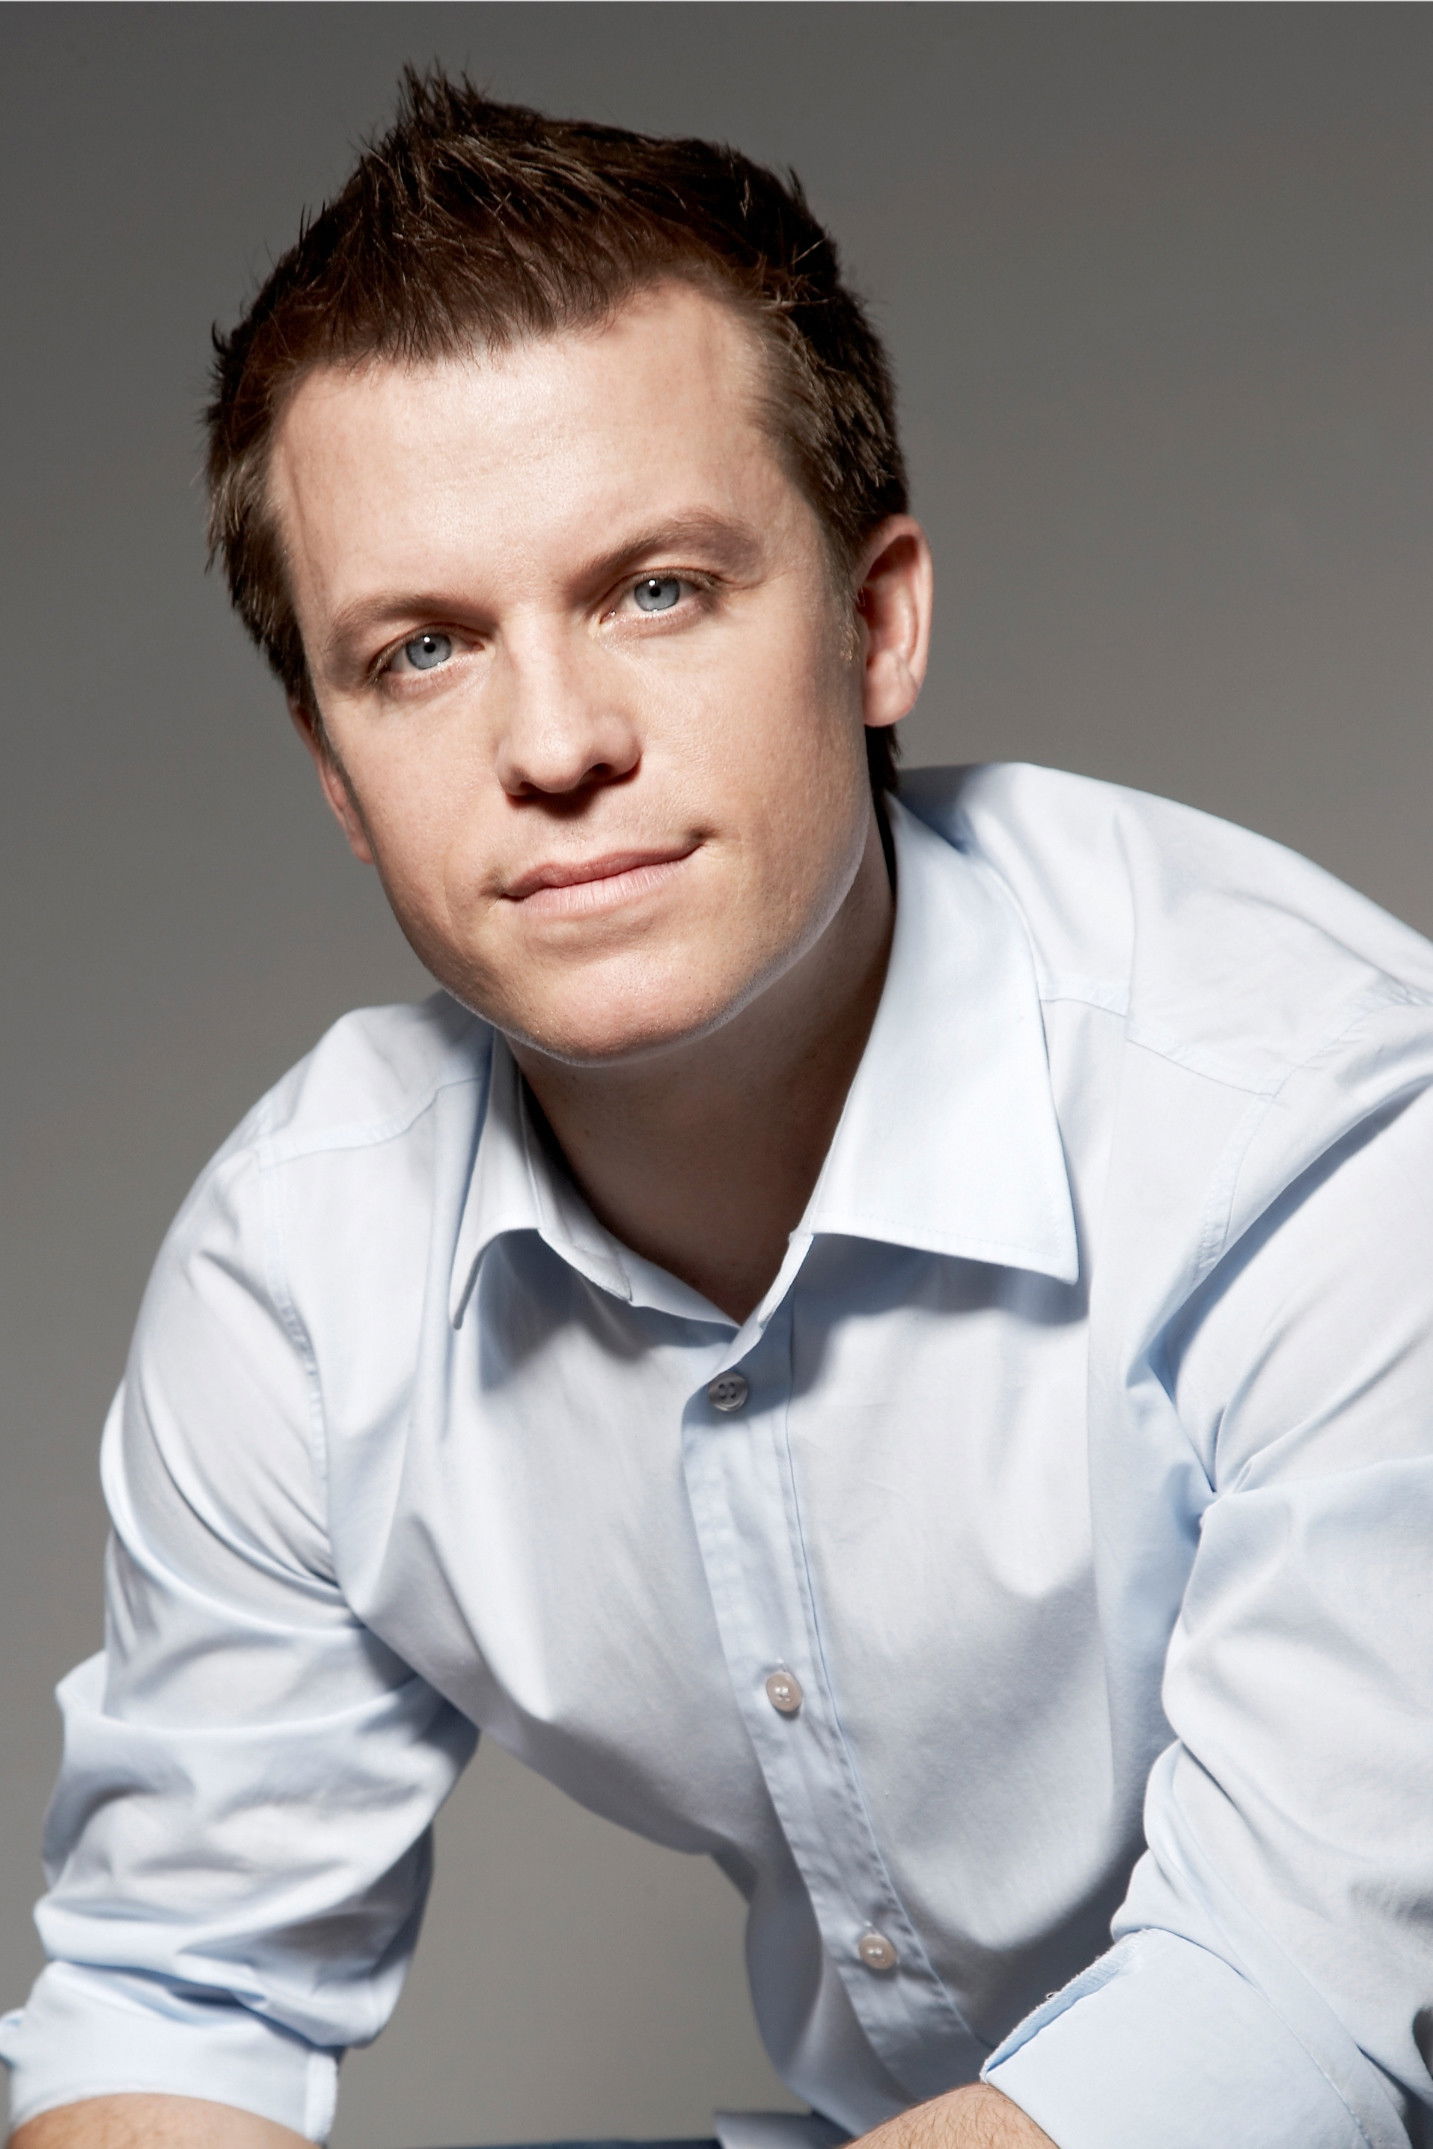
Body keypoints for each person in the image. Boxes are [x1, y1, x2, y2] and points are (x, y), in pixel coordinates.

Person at [4, 65, 1432, 2149]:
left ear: (876, 621)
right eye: (421, 651)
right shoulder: (305, 1273)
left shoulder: (1310, 1119)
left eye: (655, 588)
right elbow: (173, 1999)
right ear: (334, 772)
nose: (554, 742)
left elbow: (1285, 2020)